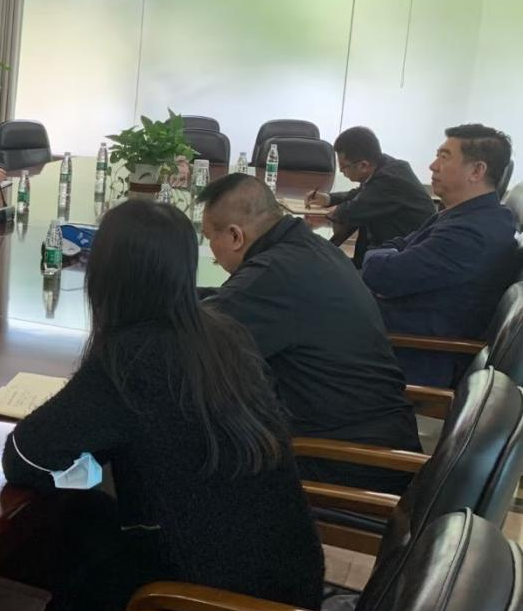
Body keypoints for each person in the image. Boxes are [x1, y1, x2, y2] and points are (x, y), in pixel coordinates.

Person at [3, 200, 323, 611]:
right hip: (291, 591)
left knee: (83, 529)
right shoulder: (224, 333)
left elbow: (25, 457)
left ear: (104, 276)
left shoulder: (129, 359)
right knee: (96, 513)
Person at [199, 173, 420, 491]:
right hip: (378, 440)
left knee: (190, 448)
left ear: (235, 235)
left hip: (345, 461)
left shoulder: (272, 273)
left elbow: (191, 344)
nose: (211, 249)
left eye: (210, 237)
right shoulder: (309, 249)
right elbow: (228, 302)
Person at [362, 124, 519, 387]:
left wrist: (382, 261)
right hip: (393, 331)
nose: (433, 166)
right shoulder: (464, 214)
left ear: (477, 171)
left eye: (444, 157)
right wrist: (385, 259)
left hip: (410, 356)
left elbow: (382, 275)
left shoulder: (472, 233)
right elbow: (394, 247)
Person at [305, 126, 434, 267]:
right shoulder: (382, 165)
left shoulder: (390, 179)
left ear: (363, 165)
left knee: (325, 265)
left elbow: (352, 210)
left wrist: (328, 215)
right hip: (388, 248)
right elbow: (362, 193)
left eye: (344, 166)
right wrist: (328, 199)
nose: (341, 171)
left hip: (404, 258)